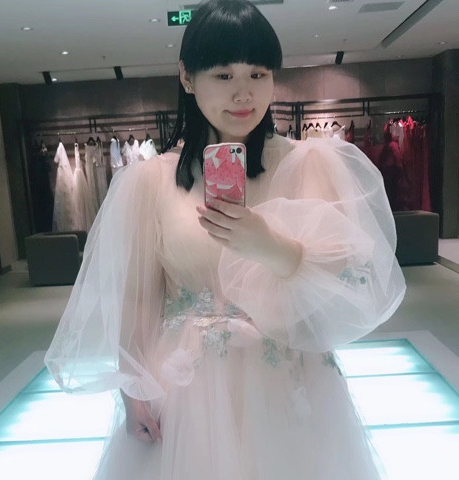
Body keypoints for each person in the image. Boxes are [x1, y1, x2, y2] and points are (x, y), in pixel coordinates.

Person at [45, 1, 406, 479]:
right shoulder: (149, 181)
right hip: (186, 388)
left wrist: (274, 248)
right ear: (187, 77)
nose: (243, 93)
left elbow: (353, 281)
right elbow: (138, 297)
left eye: (258, 74)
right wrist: (131, 388)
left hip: (288, 380)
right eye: (223, 75)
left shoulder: (311, 164)